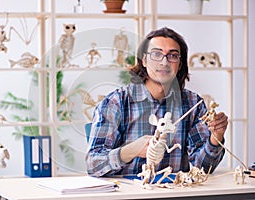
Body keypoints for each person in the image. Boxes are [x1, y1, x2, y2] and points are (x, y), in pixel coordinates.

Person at [85, 27, 228, 177]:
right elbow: (93, 165)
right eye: (156, 54)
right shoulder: (116, 102)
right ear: (144, 61)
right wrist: (130, 150)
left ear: (179, 64)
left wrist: (215, 138)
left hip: (176, 193)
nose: (164, 62)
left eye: (173, 56)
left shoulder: (193, 103)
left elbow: (203, 168)